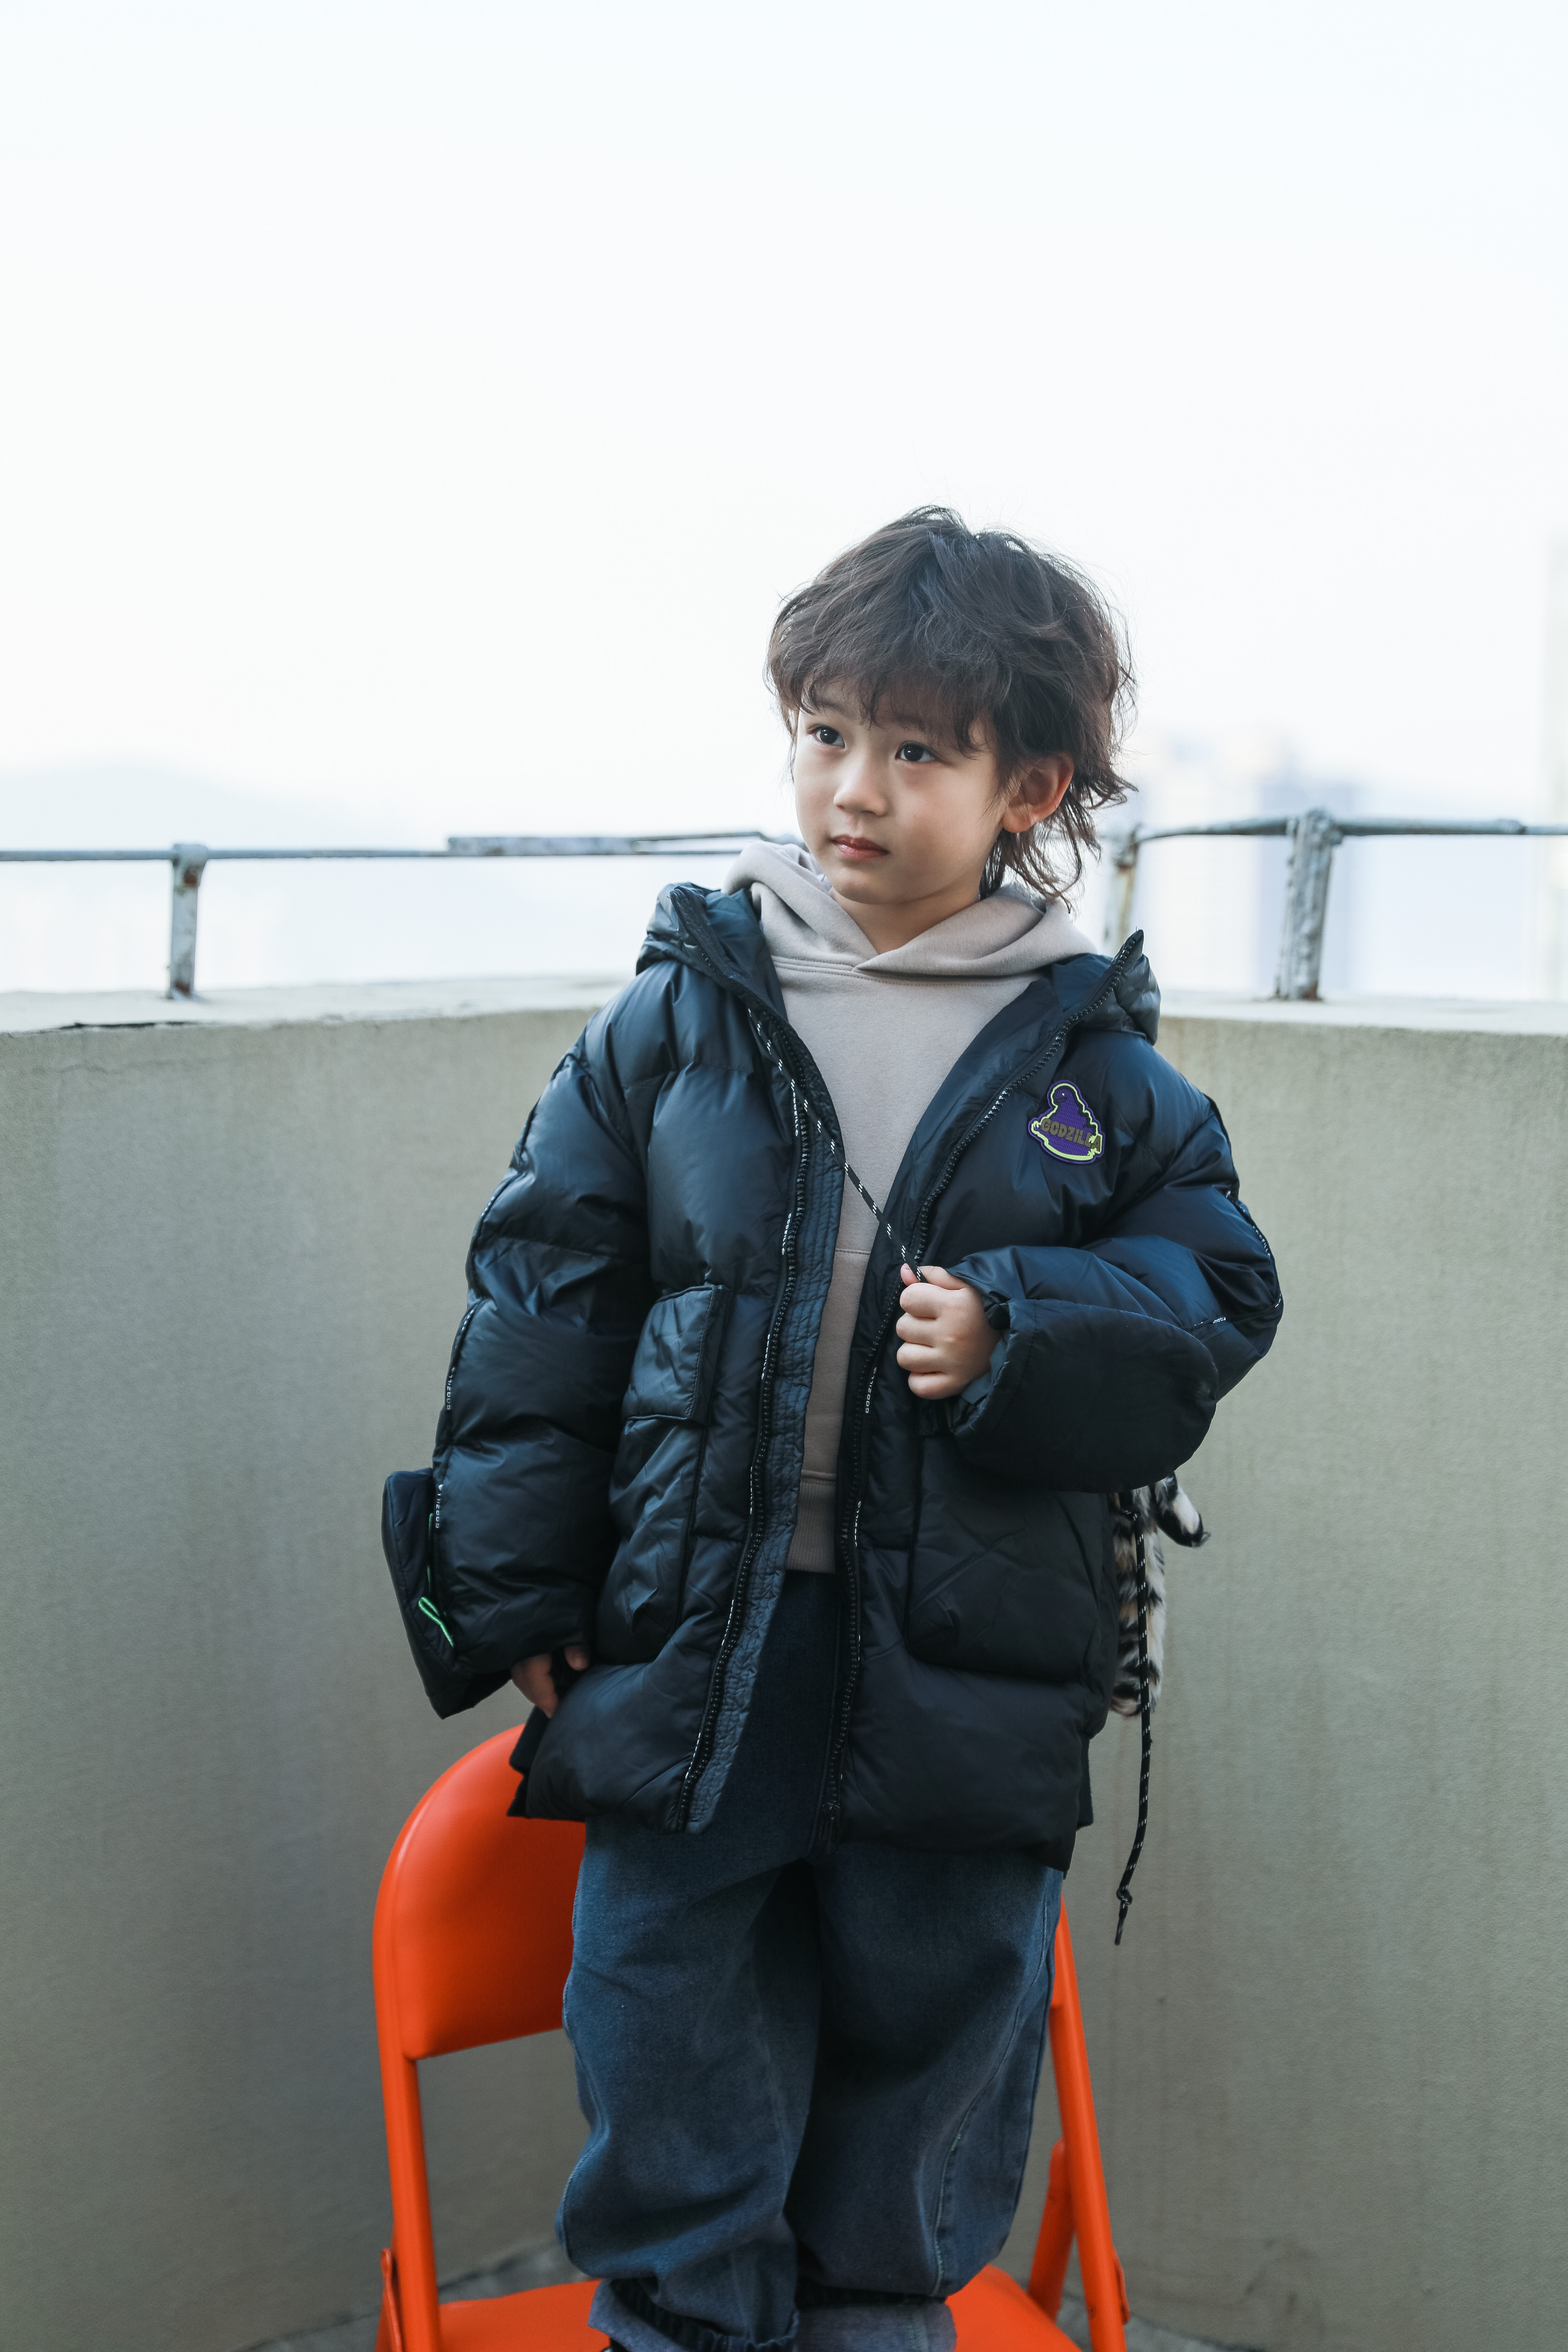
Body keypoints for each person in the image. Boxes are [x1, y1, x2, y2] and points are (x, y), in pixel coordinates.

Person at [427, 509, 1282, 2352]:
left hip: (971, 1669)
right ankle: (685, 2328)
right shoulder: (679, 1021)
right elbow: (541, 1309)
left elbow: (1215, 1302)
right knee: (665, 2023)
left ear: (1027, 785)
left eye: (915, 749)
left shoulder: (1101, 1075)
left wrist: (1019, 1328)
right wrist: (517, 1598)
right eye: (825, 734)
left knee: (924, 2070)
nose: (855, 789)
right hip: (696, 1645)